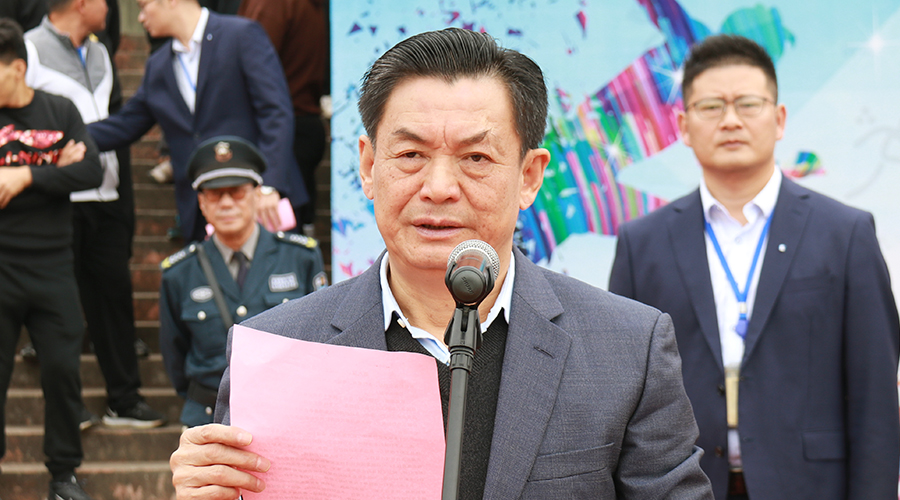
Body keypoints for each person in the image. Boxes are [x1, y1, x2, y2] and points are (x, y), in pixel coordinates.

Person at [169, 28, 714, 499]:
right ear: (368, 166)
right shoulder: (278, 353)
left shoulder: (629, 350)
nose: (438, 187)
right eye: (411, 155)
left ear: (529, 176)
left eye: (476, 157)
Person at [609, 34, 900, 500]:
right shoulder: (642, 244)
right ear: (683, 126)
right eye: (710, 107)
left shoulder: (845, 234)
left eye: (747, 104)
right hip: (680, 486)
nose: (730, 120)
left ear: (779, 119)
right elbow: (619, 392)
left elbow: (876, 399)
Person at [24, 0, 167, 429]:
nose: (112, 7)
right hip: (56, 200)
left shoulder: (101, 50)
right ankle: (67, 408)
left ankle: (124, 399)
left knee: (114, 300)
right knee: (59, 310)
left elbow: (115, 121)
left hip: (106, 197)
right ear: (81, 3)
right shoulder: (28, 49)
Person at [86, 0, 308, 242]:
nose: (141, 18)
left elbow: (276, 112)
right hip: (202, 212)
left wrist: (269, 186)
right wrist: (69, 135)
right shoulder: (158, 65)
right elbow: (125, 124)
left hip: (260, 201)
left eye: (143, 6)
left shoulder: (241, 35)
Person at [0, 18, 102, 500]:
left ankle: (63, 474)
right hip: (1, 267)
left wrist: (25, 177)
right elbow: (72, 171)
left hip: (52, 266)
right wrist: (53, 166)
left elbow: (91, 170)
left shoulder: (59, 110)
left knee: (62, 370)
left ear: (17, 68)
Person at [159, 136, 327, 428]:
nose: (226, 203)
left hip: (287, 414)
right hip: (209, 418)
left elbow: (322, 341)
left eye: (236, 192)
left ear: (257, 195)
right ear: (201, 203)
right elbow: (175, 355)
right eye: (214, 194)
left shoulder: (300, 257)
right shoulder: (179, 272)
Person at [238, 0, 326, 236]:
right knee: (296, 230)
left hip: (281, 132)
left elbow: (247, 61)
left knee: (279, 238)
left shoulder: (272, 4)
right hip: (301, 123)